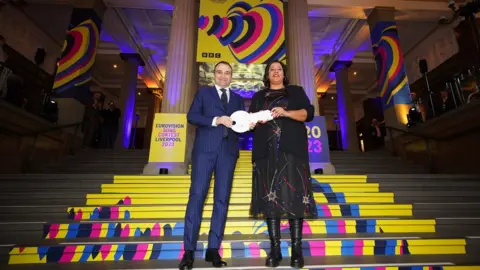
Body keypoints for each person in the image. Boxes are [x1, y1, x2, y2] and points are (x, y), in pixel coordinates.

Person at [247, 60, 317, 269]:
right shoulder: (259, 96)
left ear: (283, 74)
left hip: (292, 152)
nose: (275, 72)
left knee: (296, 198)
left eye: (279, 69)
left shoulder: (295, 91)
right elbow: (250, 121)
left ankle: (297, 251)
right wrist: (252, 122)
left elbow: (308, 114)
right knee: (271, 200)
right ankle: (275, 250)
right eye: (272, 70)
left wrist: (286, 113)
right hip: (266, 155)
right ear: (267, 75)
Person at [179, 61, 245, 270]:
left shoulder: (238, 99)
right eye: (220, 72)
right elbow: (192, 116)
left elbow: (239, 125)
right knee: (197, 197)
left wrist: (248, 125)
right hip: (204, 151)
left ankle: (213, 249)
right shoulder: (203, 93)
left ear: (231, 76)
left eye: (227, 73)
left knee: (222, 201)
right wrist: (217, 119)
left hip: (228, 153)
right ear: (213, 74)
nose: (223, 76)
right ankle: (188, 251)